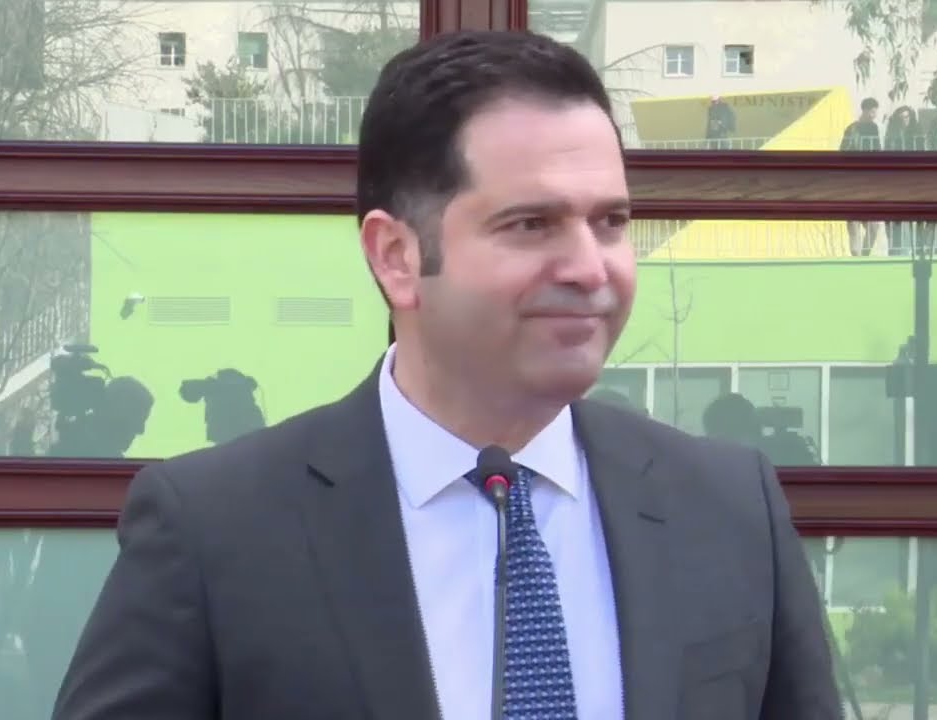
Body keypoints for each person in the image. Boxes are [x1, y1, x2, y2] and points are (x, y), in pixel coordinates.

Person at [52, 30, 841, 720]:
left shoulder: (729, 509)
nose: (589, 267)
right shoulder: (216, 531)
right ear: (397, 257)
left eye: (611, 222)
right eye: (531, 224)